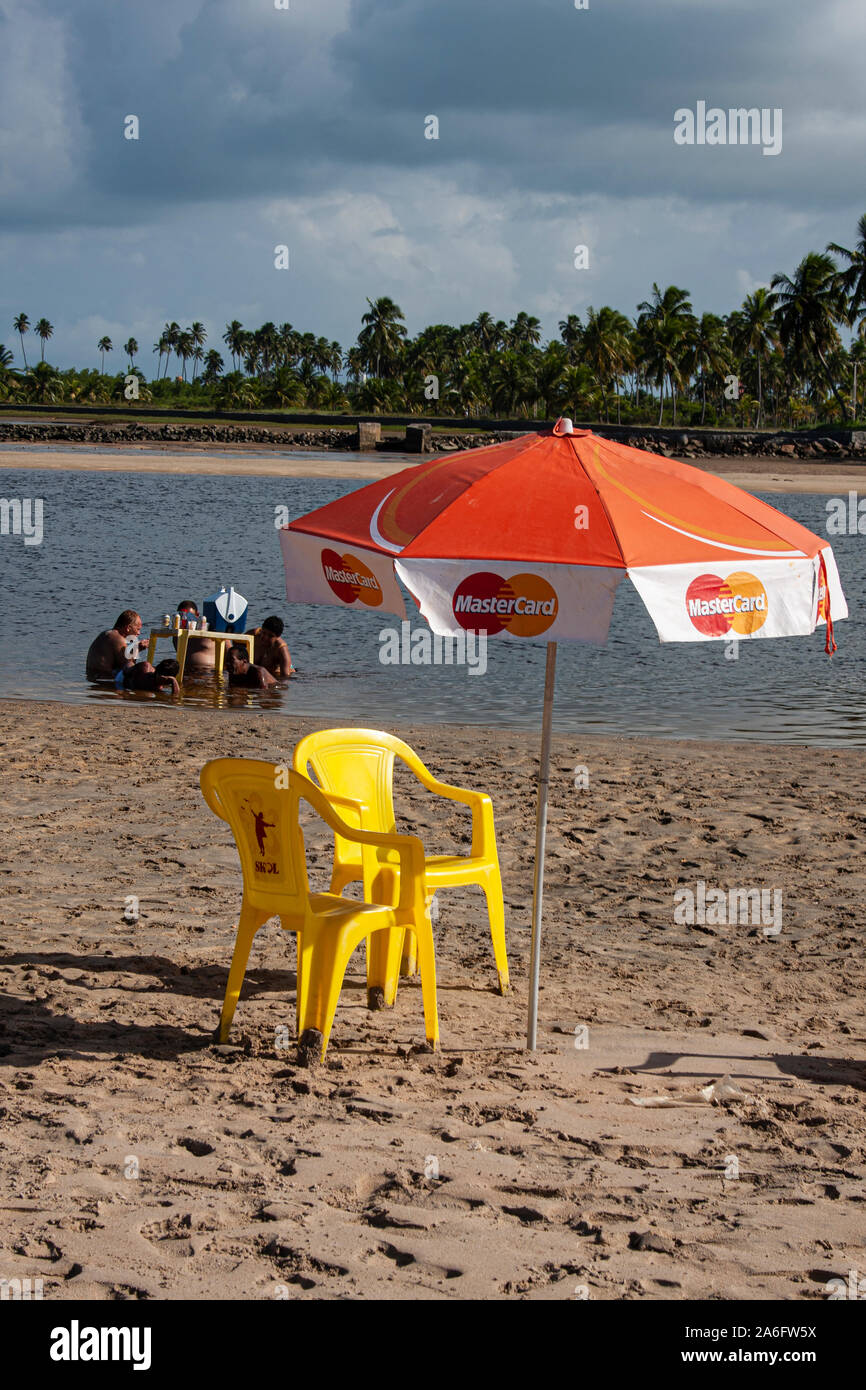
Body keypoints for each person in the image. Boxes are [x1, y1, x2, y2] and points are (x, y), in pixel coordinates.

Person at [86, 610, 145, 681]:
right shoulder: (117, 638)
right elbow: (128, 668)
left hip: (93, 677)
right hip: (103, 679)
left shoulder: (109, 634)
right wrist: (137, 649)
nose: (139, 633)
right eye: (138, 629)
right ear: (128, 628)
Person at [173, 598, 215, 671]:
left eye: (190, 616)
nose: (186, 619)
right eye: (182, 616)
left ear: (197, 615)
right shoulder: (177, 634)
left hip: (208, 672)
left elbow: (228, 648)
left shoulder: (210, 631)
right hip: (185, 671)